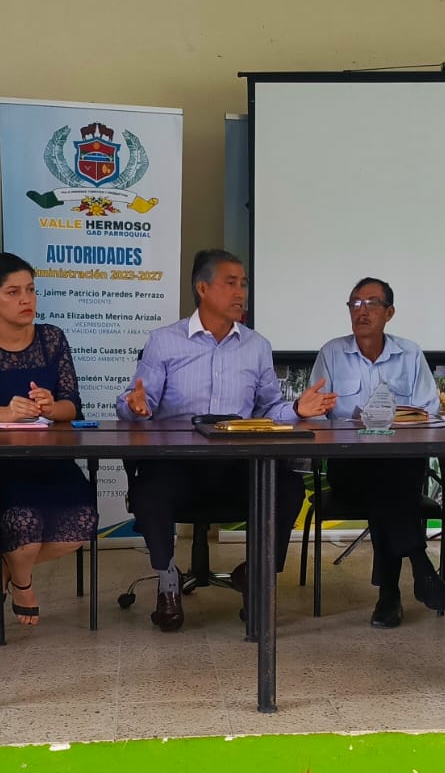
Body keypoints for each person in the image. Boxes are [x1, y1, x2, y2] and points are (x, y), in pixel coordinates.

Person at [117, 249, 336, 632]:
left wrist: (297, 409)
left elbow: (268, 408)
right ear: (202, 288)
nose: (240, 293)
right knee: (149, 489)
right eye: (230, 283)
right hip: (177, 466)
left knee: (287, 488)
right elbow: (136, 401)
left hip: (238, 465)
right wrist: (135, 406)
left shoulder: (256, 346)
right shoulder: (164, 342)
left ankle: (257, 574)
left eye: (244, 284)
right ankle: (167, 581)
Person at [0, 252, 97, 626]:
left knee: (82, 523)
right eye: (13, 292)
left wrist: (50, 406)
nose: (26, 299)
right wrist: (5, 414)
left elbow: (72, 406)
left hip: (48, 460)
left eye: (30, 290)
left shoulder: (52, 338)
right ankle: (24, 584)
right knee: (22, 524)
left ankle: (4, 568)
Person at [310, 277, 445, 628]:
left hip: (399, 467)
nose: (362, 311)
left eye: (371, 303)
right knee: (387, 483)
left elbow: (428, 412)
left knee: (388, 481)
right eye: (355, 304)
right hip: (349, 468)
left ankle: (390, 595)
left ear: (389, 312)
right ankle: (422, 571)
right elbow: (316, 416)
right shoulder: (331, 354)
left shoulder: (409, 354)